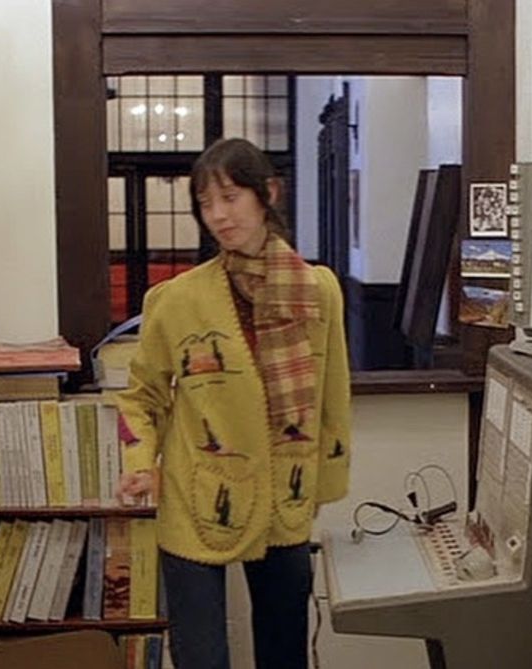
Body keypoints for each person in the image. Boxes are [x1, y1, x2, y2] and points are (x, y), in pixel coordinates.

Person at [116, 137, 351, 669]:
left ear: (267, 193)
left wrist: (323, 485)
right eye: (205, 203)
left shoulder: (318, 291)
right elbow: (140, 397)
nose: (218, 216)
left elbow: (333, 397)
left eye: (230, 197)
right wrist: (140, 464)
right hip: (196, 495)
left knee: (284, 649)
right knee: (201, 655)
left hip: (285, 498)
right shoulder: (175, 300)